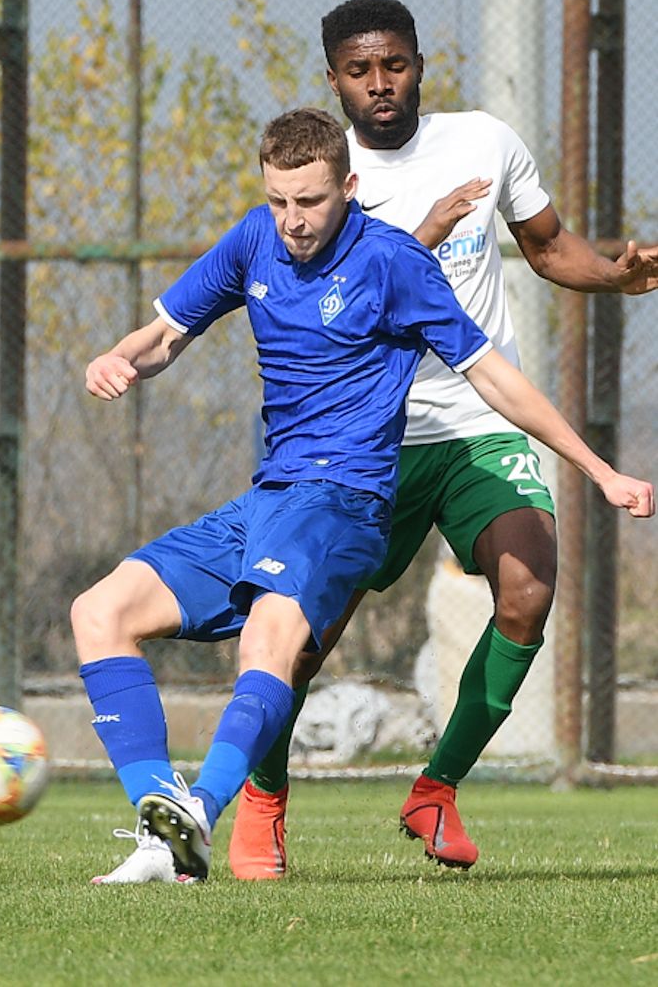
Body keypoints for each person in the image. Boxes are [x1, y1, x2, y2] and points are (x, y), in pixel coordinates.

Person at [74, 106, 652, 886]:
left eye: (309, 202)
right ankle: (158, 829)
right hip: (269, 500)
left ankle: (203, 814)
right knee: (99, 612)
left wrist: (598, 469)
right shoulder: (254, 239)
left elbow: (494, 378)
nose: (292, 221)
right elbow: (168, 333)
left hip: (345, 501)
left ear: (347, 187)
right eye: (279, 200)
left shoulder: (394, 262)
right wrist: (116, 359)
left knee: (269, 643)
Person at [228, 0, 658, 880]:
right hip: (361, 442)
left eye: (395, 65)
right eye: (359, 70)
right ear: (335, 79)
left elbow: (546, 247)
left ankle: (437, 788)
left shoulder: (484, 143)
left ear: (420, 62)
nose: (380, 85)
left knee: (530, 585)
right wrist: (419, 236)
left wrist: (615, 276)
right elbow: (329, 292)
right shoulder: (321, 182)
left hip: (472, 424)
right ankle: (263, 803)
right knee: (299, 642)